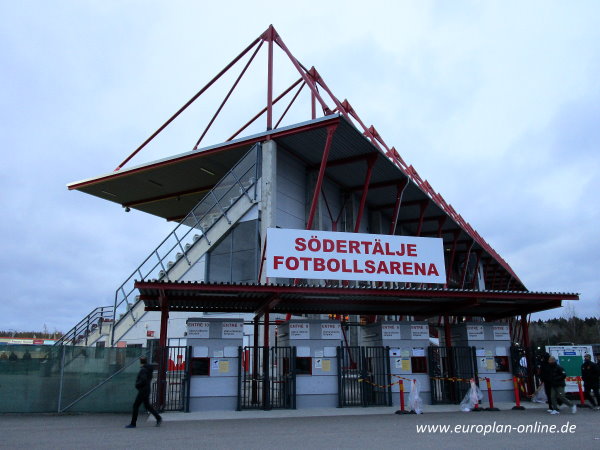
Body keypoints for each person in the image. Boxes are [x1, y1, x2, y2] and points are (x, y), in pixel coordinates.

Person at [125, 357, 162, 428]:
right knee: (147, 406)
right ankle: (158, 418)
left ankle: (133, 423)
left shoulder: (143, 370)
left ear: (141, 362)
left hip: (142, 390)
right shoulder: (149, 369)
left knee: (136, 406)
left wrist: (137, 385)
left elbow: (143, 380)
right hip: (147, 389)